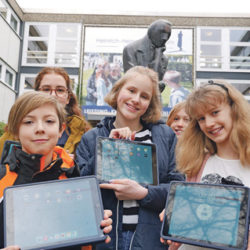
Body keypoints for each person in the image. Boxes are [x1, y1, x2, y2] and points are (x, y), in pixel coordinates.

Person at [76, 66, 184, 250]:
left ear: (150, 103)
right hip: (106, 240)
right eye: (131, 90)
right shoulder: (92, 137)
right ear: (118, 91)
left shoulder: (165, 136)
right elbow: (81, 191)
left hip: (150, 240)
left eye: (144, 96)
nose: (136, 99)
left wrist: (144, 193)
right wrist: (107, 147)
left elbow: (178, 189)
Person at [0, 92, 112, 250]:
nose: (39, 129)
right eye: (29, 122)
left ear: (61, 129)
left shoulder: (73, 176)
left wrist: (95, 228)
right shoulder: (2, 179)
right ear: (16, 130)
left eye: (49, 121)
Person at [161, 80, 250, 250]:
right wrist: (176, 219)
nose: (209, 123)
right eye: (201, 118)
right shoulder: (197, 162)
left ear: (234, 109)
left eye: (215, 112)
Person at [0, 67, 91, 158]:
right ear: (36, 94)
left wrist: (74, 164)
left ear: (68, 98)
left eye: (60, 90)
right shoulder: (14, 130)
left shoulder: (85, 134)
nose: (53, 95)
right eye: (46, 89)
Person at [123, 19, 172, 92]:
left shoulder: (163, 59)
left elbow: (158, 86)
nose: (164, 38)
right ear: (152, 31)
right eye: (161, 33)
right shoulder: (131, 49)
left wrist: (158, 57)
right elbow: (132, 80)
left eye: (168, 34)